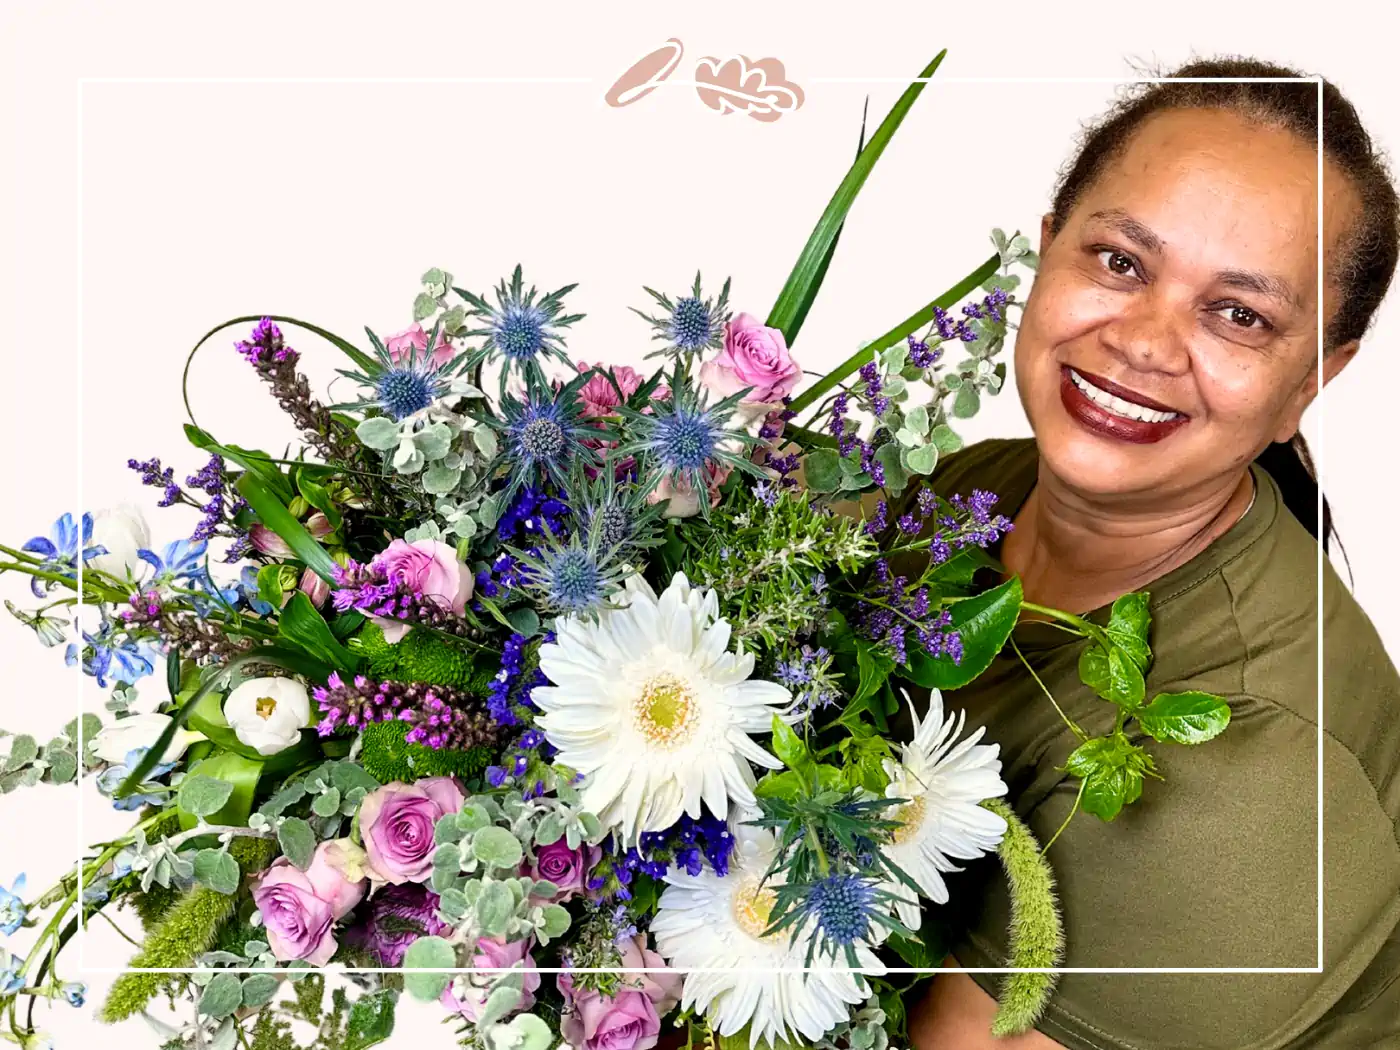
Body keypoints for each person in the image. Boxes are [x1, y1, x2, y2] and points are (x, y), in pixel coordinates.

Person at [901, 59, 1400, 1049]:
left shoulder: (1249, 778)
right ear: (1046, 253)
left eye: (1237, 315)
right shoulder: (968, 494)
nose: (1141, 339)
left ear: (1313, 377)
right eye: (1119, 262)